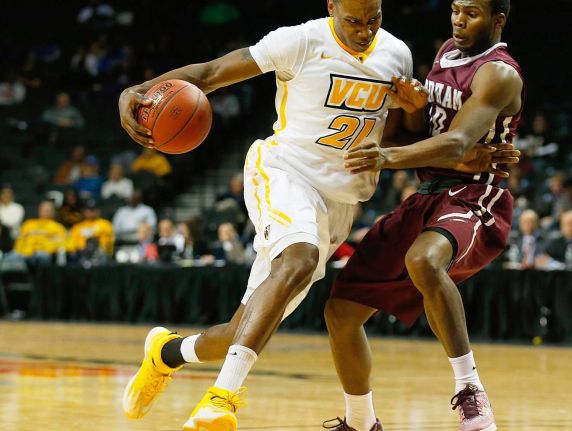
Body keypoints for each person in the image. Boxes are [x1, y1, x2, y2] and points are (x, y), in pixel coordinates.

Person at [117, 1, 516, 430]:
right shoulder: (300, 41)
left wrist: (420, 116)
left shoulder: (397, 54)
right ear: (332, 8)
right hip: (286, 173)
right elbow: (210, 74)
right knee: (300, 258)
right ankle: (222, 398)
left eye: (373, 20)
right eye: (353, 21)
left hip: (341, 200)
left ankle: (166, 352)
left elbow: (404, 134)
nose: (364, 30)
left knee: (244, 329)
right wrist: (134, 92)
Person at [324, 0, 522, 429]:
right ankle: (361, 422)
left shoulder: (499, 73)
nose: (458, 19)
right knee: (341, 311)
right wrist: (413, 108)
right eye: (455, 10)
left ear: (498, 20)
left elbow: (457, 143)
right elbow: (432, 135)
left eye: (471, 13)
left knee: (423, 259)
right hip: (429, 193)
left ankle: (470, 388)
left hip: (476, 196)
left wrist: (386, 156)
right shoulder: (445, 54)